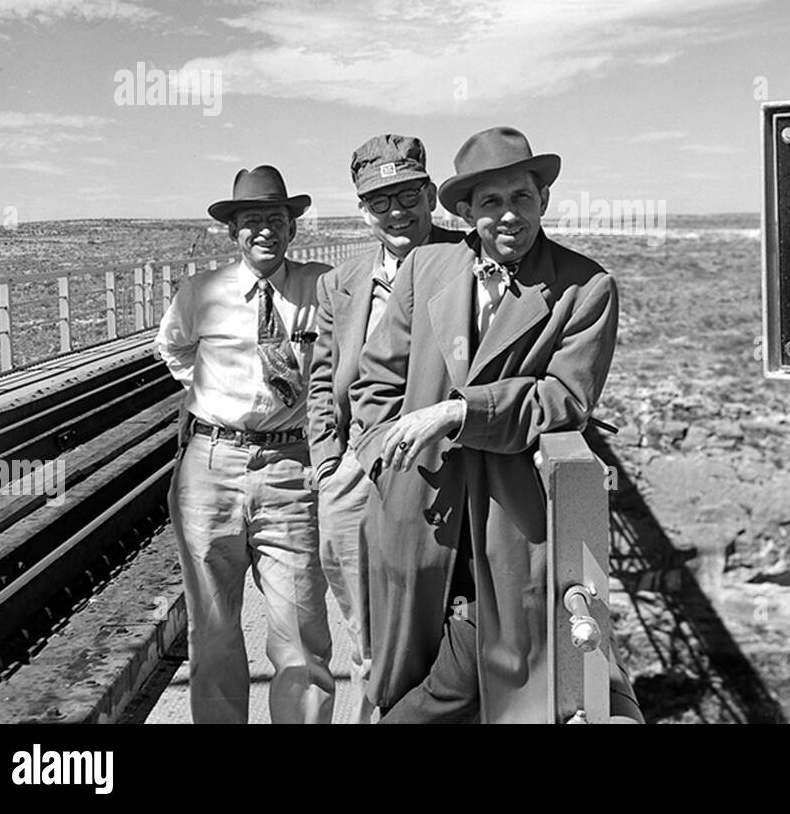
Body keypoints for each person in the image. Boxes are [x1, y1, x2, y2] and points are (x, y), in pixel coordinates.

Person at [349, 126, 642, 723]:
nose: (509, 216)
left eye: (522, 199)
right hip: (419, 512)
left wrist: (461, 412)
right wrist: (380, 459)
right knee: (404, 665)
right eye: (491, 202)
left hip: (507, 522)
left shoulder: (584, 288)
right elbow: (374, 383)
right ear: (465, 210)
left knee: (467, 679)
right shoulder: (426, 268)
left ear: (544, 201)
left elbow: (565, 399)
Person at [156, 165, 334, 724]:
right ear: (234, 231)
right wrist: (216, 395)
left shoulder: (321, 287)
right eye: (251, 220)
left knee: (301, 634)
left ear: (293, 228)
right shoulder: (200, 292)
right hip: (211, 468)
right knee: (212, 633)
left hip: (291, 468)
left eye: (275, 219)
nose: (264, 231)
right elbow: (175, 348)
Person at [307, 134, 463, 724]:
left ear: (430, 195)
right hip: (354, 469)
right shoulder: (340, 283)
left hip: (438, 468)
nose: (397, 212)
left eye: (407, 195)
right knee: (363, 623)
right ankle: (377, 709)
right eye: (380, 202)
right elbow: (322, 381)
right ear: (362, 210)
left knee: (431, 613)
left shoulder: (467, 259)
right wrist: (327, 465)